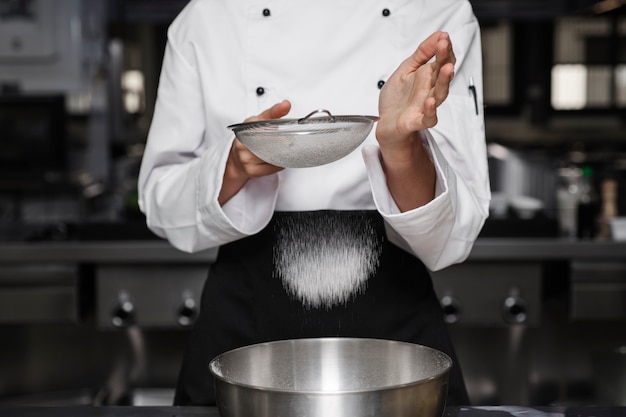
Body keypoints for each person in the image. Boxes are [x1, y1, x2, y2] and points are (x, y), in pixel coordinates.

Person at [138, 0, 490, 407]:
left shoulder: (438, 11)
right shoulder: (209, 15)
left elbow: (453, 235)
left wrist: (400, 145)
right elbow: (162, 202)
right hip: (248, 309)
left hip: (392, 318)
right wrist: (232, 166)